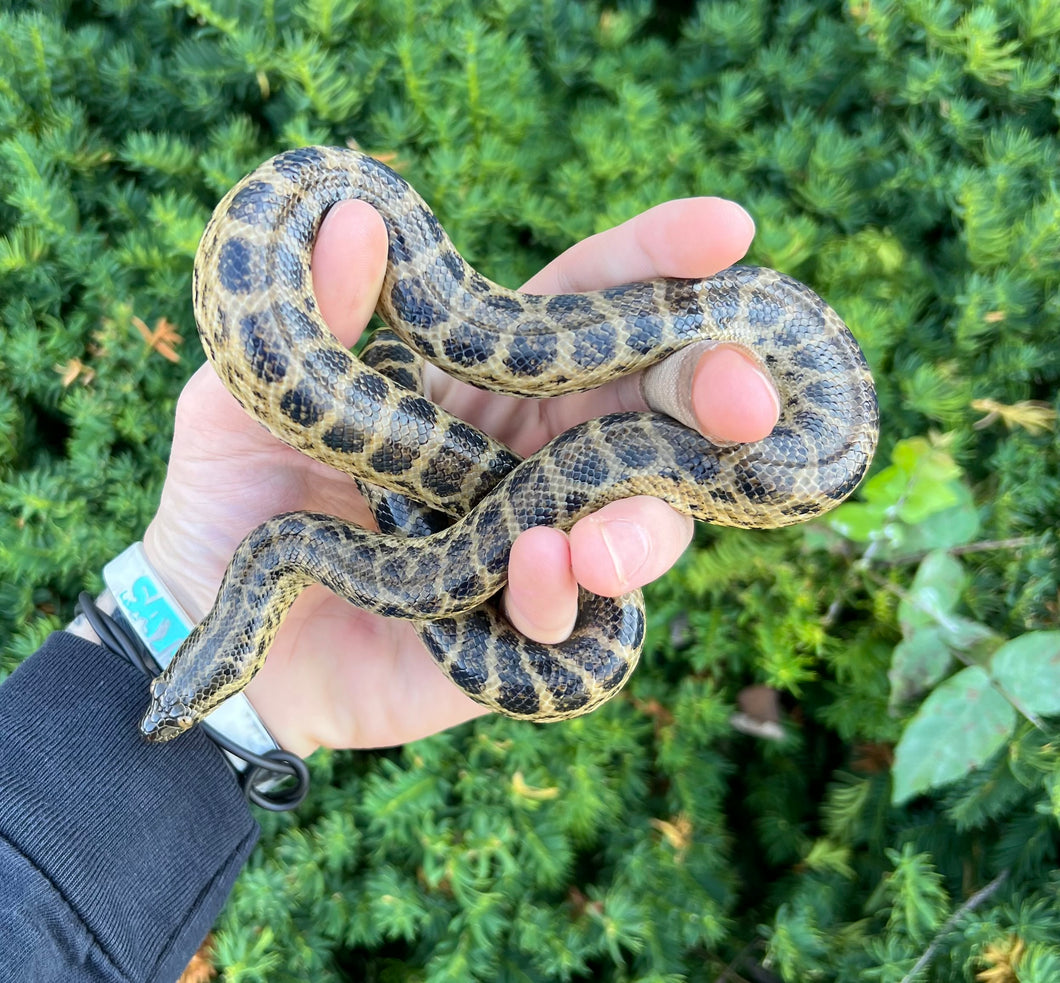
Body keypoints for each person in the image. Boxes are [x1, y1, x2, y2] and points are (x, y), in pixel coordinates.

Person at [0, 193, 778, 981]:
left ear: (239, 646)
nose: (176, 705)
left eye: (187, 693)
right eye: (192, 700)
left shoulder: (291, 540)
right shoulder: (286, 546)